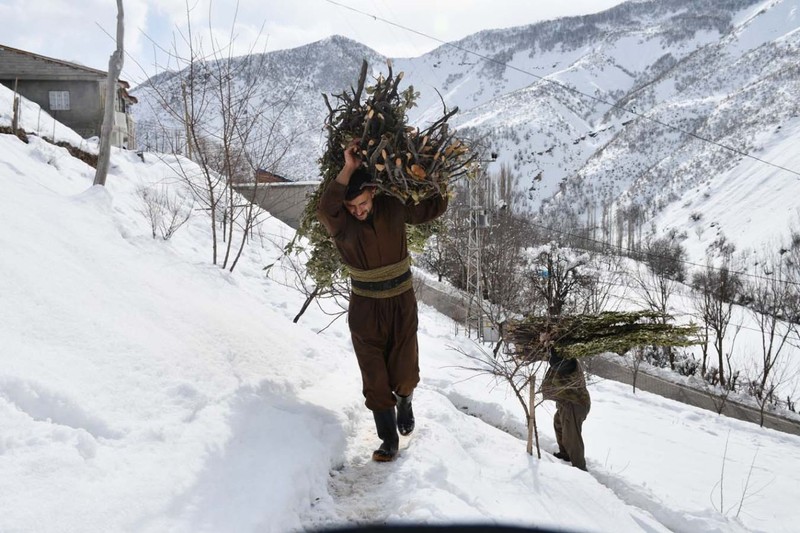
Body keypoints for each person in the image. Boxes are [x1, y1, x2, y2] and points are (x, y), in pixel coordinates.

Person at [316, 139, 449, 462]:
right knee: (375, 377)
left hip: (402, 302)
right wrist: (348, 168)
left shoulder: (392, 206)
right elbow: (325, 209)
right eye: (352, 208)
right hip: (365, 308)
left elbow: (430, 208)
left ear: (373, 193)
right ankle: (388, 438)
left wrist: (435, 176)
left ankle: (405, 401)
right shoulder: (341, 226)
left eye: (362, 203)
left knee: (404, 372)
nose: (358, 211)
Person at [541, 349, 591, 471]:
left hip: (574, 404)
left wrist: (550, 349)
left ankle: (579, 468)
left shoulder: (568, 363)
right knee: (558, 424)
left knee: (571, 436)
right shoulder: (565, 360)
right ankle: (566, 454)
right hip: (566, 402)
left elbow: (557, 363)